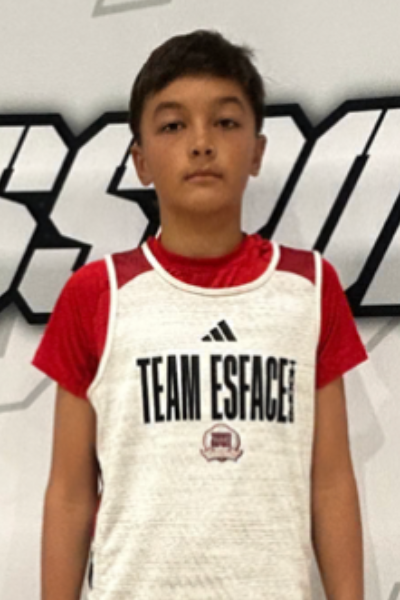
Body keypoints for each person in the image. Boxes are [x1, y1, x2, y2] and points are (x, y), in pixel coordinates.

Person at [33, 29, 368, 600]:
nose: (201, 143)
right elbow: (69, 492)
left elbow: (331, 482)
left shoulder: (309, 287)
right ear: (140, 160)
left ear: (257, 150)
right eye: (173, 125)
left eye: (226, 122)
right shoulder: (96, 293)